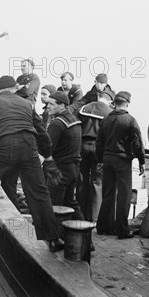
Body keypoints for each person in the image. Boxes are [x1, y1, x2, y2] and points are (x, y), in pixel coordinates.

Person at [0, 75, 64, 252]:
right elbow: (41, 132)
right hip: (28, 145)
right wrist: (48, 158)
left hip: (4, 145)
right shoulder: (27, 104)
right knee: (38, 191)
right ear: (14, 89)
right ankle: (53, 239)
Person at [96, 91, 145, 238]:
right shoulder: (130, 120)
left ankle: (104, 226)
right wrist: (141, 161)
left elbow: (99, 142)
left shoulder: (105, 120)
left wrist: (99, 160)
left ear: (114, 103)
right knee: (124, 195)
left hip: (107, 159)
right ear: (127, 104)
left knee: (108, 194)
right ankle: (122, 230)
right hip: (122, 161)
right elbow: (137, 143)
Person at [76, 89, 114, 222]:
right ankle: (94, 217)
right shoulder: (109, 113)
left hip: (83, 145)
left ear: (98, 96)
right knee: (97, 182)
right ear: (110, 101)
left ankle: (80, 214)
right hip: (99, 148)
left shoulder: (85, 108)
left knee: (81, 181)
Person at [46, 91, 84, 219]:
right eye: (47, 104)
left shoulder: (57, 123)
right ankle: (84, 235)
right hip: (73, 168)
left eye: (51, 104)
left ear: (62, 106)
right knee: (70, 202)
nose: (48, 107)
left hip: (59, 170)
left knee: (53, 205)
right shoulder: (74, 120)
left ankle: (55, 237)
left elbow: (48, 149)